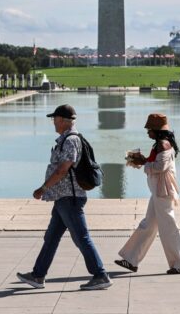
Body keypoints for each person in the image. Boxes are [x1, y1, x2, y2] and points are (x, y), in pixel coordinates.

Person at [17, 104, 112, 291]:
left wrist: (43, 188)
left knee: (81, 237)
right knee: (51, 237)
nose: (53, 122)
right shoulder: (66, 139)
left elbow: (62, 169)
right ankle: (38, 275)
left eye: (55, 119)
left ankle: (100, 275)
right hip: (63, 198)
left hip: (70, 197)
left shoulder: (70, 140)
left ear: (62, 120)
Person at [116, 113, 180, 274]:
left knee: (168, 226)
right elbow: (157, 164)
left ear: (157, 130)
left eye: (149, 129)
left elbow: (159, 167)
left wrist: (143, 164)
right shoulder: (161, 144)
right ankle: (131, 259)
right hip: (159, 191)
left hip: (162, 191)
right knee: (148, 225)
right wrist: (143, 160)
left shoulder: (163, 145)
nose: (147, 132)